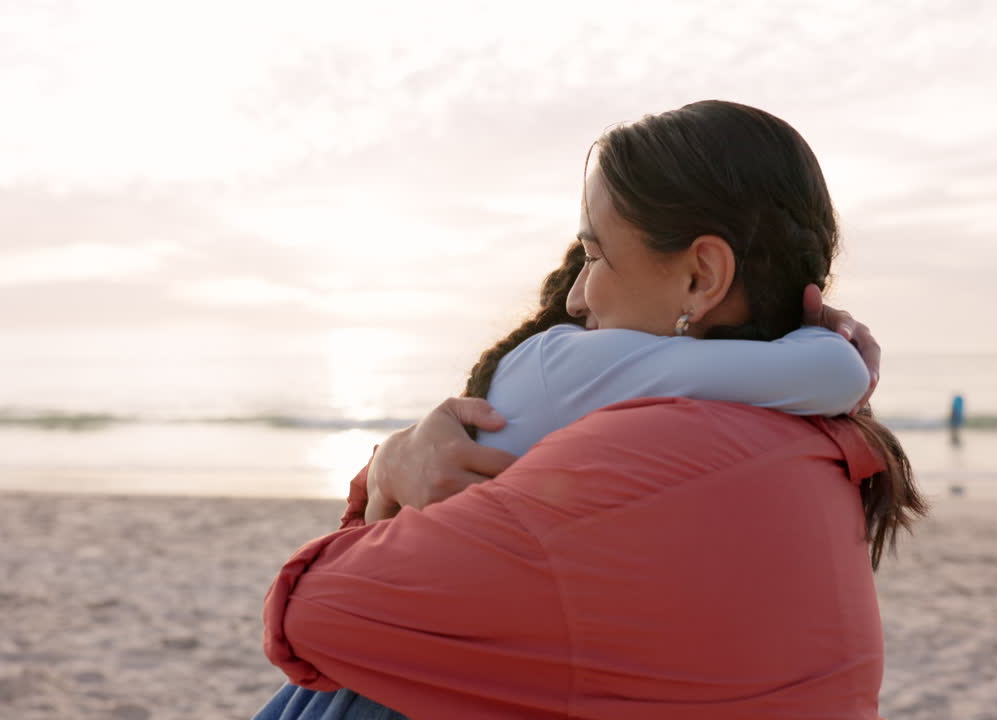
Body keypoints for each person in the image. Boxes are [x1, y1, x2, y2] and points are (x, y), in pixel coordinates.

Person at [257, 100, 925, 719]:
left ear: (701, 276)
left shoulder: (580, 385)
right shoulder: (819, 454)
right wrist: (824, 339)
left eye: (596, 256)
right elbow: (833, 373)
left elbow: (309, 615)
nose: (576, 300)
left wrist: (378, 483)